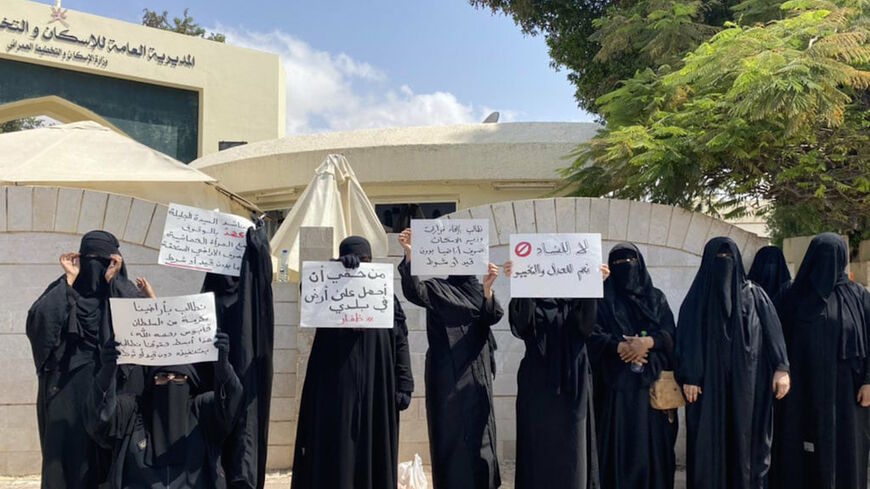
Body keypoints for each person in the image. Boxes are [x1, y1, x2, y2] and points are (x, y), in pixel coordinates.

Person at [25, 230, 154, 489]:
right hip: (68, 393)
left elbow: (148, 330)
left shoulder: (122, 290)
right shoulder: (64, 288)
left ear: (115, 261)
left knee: (110, 458)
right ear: (80, 259)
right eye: (90, 258)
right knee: (68, 460)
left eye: (103, 259)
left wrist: (114, 283)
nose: (96, 265)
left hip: (113, 392)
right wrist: (68, 283)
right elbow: (38, 324)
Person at [291, 236, 414, 489]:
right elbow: (309, 290)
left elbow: (400, 339)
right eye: (355, 260)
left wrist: (405, 383)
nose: (360, 264)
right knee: (336, 448)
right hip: (334, 388)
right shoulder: (330, 288)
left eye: (365, 260)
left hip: (377, 386)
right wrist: (333, 270)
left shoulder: (382, 294)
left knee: (375, 447)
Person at [675, 236, 791, 489]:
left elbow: (773, 333)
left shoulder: (755, 295)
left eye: (728, 258)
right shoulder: (696, 300)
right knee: (708, 449)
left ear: (737, 261)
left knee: (748, 447)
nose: (723, 264)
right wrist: (690, 376)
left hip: (750, 387)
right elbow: (685, 340)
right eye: (718, 259)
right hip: (707, 391)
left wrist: (782, 369)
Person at [397, 228, 503, 489]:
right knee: (450, 436)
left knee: (482, 438)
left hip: (477, 374)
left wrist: (489, 289)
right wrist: (410, 255)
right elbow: (415, 292)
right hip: (446, 376)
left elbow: (493, 316)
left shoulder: (480, 289)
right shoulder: (436, 288)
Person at [770, 233, 870, 489]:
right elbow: (775, 338)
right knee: (802, 453)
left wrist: (869, 381)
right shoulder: (792, 297)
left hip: (848, 394)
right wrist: (781, 369)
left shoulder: (858, 297)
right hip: (803, 390)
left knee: (847, 452)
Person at [504, 259, 609, 489]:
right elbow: (522, 326)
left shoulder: (577, 301)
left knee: (574, 453)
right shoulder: (532, 297)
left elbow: (586, 327)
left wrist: (593, 286)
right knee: (538, 452)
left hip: (574, 383)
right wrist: (520, 283)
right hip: (537, 386)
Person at [86, 332, 242, 488]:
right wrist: (107, 372)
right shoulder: (132, 411)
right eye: (162, 377)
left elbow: (230, 404)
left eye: (179, 378)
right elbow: (99, 418)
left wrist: (223, 367)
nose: (170, 383)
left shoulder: (201, 410)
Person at [589, 243, 678, 489]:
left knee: (652, 453)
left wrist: (647, 342)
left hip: (651, 392)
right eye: (617, 263)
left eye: (629, 261)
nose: (624, 268)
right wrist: (620, 347)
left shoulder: (655, 298)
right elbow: (589, 334)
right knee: (615, 452)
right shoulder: (602, 298)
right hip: (613, 393)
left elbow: (670, 333)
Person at [201, 220, 275, 489]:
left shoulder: (252, 299)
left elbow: (264, 277)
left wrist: (257, 246)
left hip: (245, 374)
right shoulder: (209, 293)